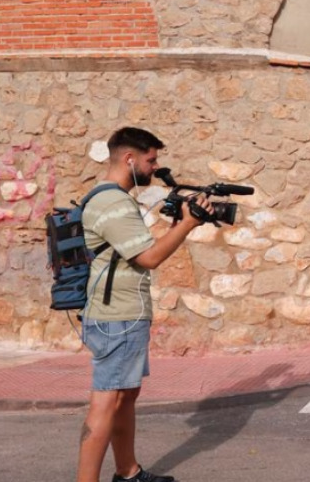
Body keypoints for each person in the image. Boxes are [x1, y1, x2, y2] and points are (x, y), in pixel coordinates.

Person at [77, 127, 212, 482]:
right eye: (151, 160)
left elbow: (134, 252)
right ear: (129, 158)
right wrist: (187, 226)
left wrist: (177, 225)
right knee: (105, 402)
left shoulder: (114, 199)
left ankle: (128, 472)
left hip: (124, 314)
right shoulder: (113, 202)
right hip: (115, 317)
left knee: (125, 397)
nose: (155, 167)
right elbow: (149, 257)